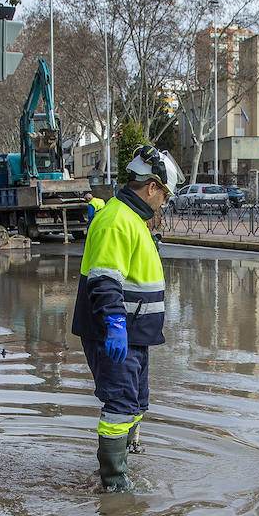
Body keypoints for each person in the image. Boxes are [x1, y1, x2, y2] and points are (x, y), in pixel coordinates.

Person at [71, 143, 182, 493]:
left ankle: (117, 466)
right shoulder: (119, 221)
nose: (164, 202)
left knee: (135, 404)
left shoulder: (129, 219)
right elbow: (105, 280)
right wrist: (115, 325)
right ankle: (114, 485)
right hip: (117, 332)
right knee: (119, 405)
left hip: (135, 333)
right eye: (164, 194)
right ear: (152, 187)